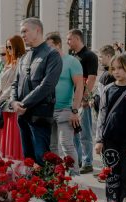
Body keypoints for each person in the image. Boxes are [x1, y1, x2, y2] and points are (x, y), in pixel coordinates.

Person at [10, 18, 62, 165]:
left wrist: (23, 104)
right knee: (28, 160)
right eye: (21, 32)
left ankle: (47, 188)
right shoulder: (24, 57)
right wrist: (14, 102)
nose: (23, 35)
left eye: (25, 31)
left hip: (40, 115)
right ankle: (30, 187)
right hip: (23, 115)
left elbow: (47, 85)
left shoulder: (52, 55)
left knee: (41, 158)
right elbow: (15, 83)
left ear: (37, 30)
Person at [95, 53, 126, 202]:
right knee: (112, 177)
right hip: (110, 141)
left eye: (120, 68)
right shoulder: (108, 89)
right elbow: (101, 115)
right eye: (113, 69)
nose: (116, 72)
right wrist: (99, 140)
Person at [46, 32, 84, 175]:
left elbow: (79, 87)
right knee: (52, 146)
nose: (48, 50)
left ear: (58, 45)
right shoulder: (48, 62)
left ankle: (74, 176)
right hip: (49, 110)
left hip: (65, 110)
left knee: (67, 144)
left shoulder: (71, 61)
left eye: (50, 47)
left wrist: (75, 111)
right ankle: (56, 175)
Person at [67, 29, 98, 174]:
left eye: (69, 39)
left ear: (77, 39)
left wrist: (85, 97)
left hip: (82, 101)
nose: (67, 42)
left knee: (85, 132)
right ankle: (77, 159)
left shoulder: (89, 56)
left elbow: (91, 78)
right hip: (72, 100)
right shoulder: (71, 55)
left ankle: (88, 162)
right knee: (74, 133)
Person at [0, 35, 26, 160]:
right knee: (5, 132)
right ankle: (6, 160)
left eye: (10, 47)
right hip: (3, 103)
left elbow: (15, 84)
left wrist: (1, 97)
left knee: (13, 134)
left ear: (17, 47)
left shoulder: (20, 62)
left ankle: (15, 161)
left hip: (12, 102)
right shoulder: (8, 62)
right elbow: (0, 81)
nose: (8, 50)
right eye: (7, 47)